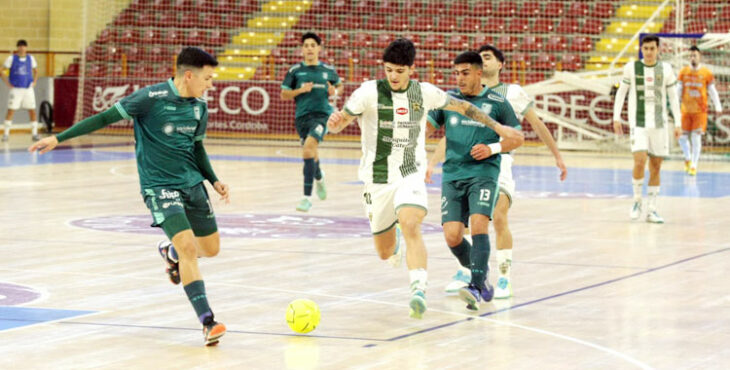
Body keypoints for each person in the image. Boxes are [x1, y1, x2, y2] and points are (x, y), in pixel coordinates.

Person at [29, 47, 229, 346]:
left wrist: (213, 180)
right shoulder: (149, 99)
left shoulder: (200, 107)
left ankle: (170, 253)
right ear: (189, 75)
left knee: (210, 249)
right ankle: (207, 322)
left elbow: (197, 148)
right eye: (208, 78)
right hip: (160, 187)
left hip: (192, 185)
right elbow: (103, 118)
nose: (211, 85)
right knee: (188, 247)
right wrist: (58, 138)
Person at [327, 39, 523, 318]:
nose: (394, 76)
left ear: (411, 70)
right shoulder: (367, 92)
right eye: (389, 70)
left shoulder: (425, 93)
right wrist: (336, 123)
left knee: (411, 223)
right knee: (384, 252)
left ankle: (418, 290)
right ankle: (391, 239)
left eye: (400, 71)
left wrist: (496, 126)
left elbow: (464, 107)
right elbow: (343, 120)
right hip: (377, 179)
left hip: (410, 173)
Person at [430, 44, 568, 300]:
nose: (483, 59)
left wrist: (557, 156)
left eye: (488, 57)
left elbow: (534, 126)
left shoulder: (510, 94)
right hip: (461, 166)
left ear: (496, 65)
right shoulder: (457, 98)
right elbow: (449, 136)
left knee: (496, 216)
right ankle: (472, 271)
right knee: (458, 230)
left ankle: (502, 277)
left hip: (498, 163)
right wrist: (430, 163)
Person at [426, 51, 524, 310]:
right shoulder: (448, 100)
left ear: (479, 73)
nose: (459, 78)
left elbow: (517, 139)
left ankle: (476, 286)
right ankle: (480, 273)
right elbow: (426, 129)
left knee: (479, 223)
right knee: (452, 236)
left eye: (465, 73)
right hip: (453, 175)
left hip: (483, 174)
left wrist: (491, 149)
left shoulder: (497, 102)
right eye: (456, 73)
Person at [613, 34, 681, 224]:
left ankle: (652, 209)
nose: (649, 52)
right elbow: (621, 93)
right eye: (646, 48)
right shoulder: (632, 68)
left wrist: (678, 122)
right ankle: (636, 201)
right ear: (641, 49)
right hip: (638, 123)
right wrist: (616, 117)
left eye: (652, 48)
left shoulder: (666, 69)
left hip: (659, 125)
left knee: (656, 166)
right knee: (640, 160)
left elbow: (674, 98)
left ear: (658, 50)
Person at [280, 32, 343, 212]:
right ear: (302, 49)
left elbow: (339, 86)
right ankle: (319, 177)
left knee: (308, 149)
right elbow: (283, 94)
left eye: (312, 45)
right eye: (306, 45)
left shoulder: (328, 71)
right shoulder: (295, 71)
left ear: (319, 49)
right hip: (302, 118)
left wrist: (334, 92)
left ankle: (306, 198)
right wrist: (300, 90)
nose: (309, 48)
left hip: (322, 116)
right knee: (311, 153)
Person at [677, 45, 723, 176]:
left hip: (700, 112)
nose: (692, 58)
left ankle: (694, 165)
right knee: (681, 138)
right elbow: (678, 90)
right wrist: (675, 104)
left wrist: (718, 105)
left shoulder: (706, 73)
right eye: (690, 55)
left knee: (696, 139)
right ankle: (687, 157)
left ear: (699, 56)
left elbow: (712, 91)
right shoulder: (683, 72)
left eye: (695, 55)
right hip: (685, 111)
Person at [2, 39, 39, 141]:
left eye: (24, 46)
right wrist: (7, 83)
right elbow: (2, 71)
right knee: (11, 111)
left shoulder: (31, 58)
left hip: (28, 89)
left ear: (26, 48)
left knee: (32, 111)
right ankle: (6, 134)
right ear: (17, 47)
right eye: (20, 46)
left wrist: (34, 81)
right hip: (16, 89)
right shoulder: (11, 58)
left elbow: (36, 71)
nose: (22, 48)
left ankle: (35, 133)